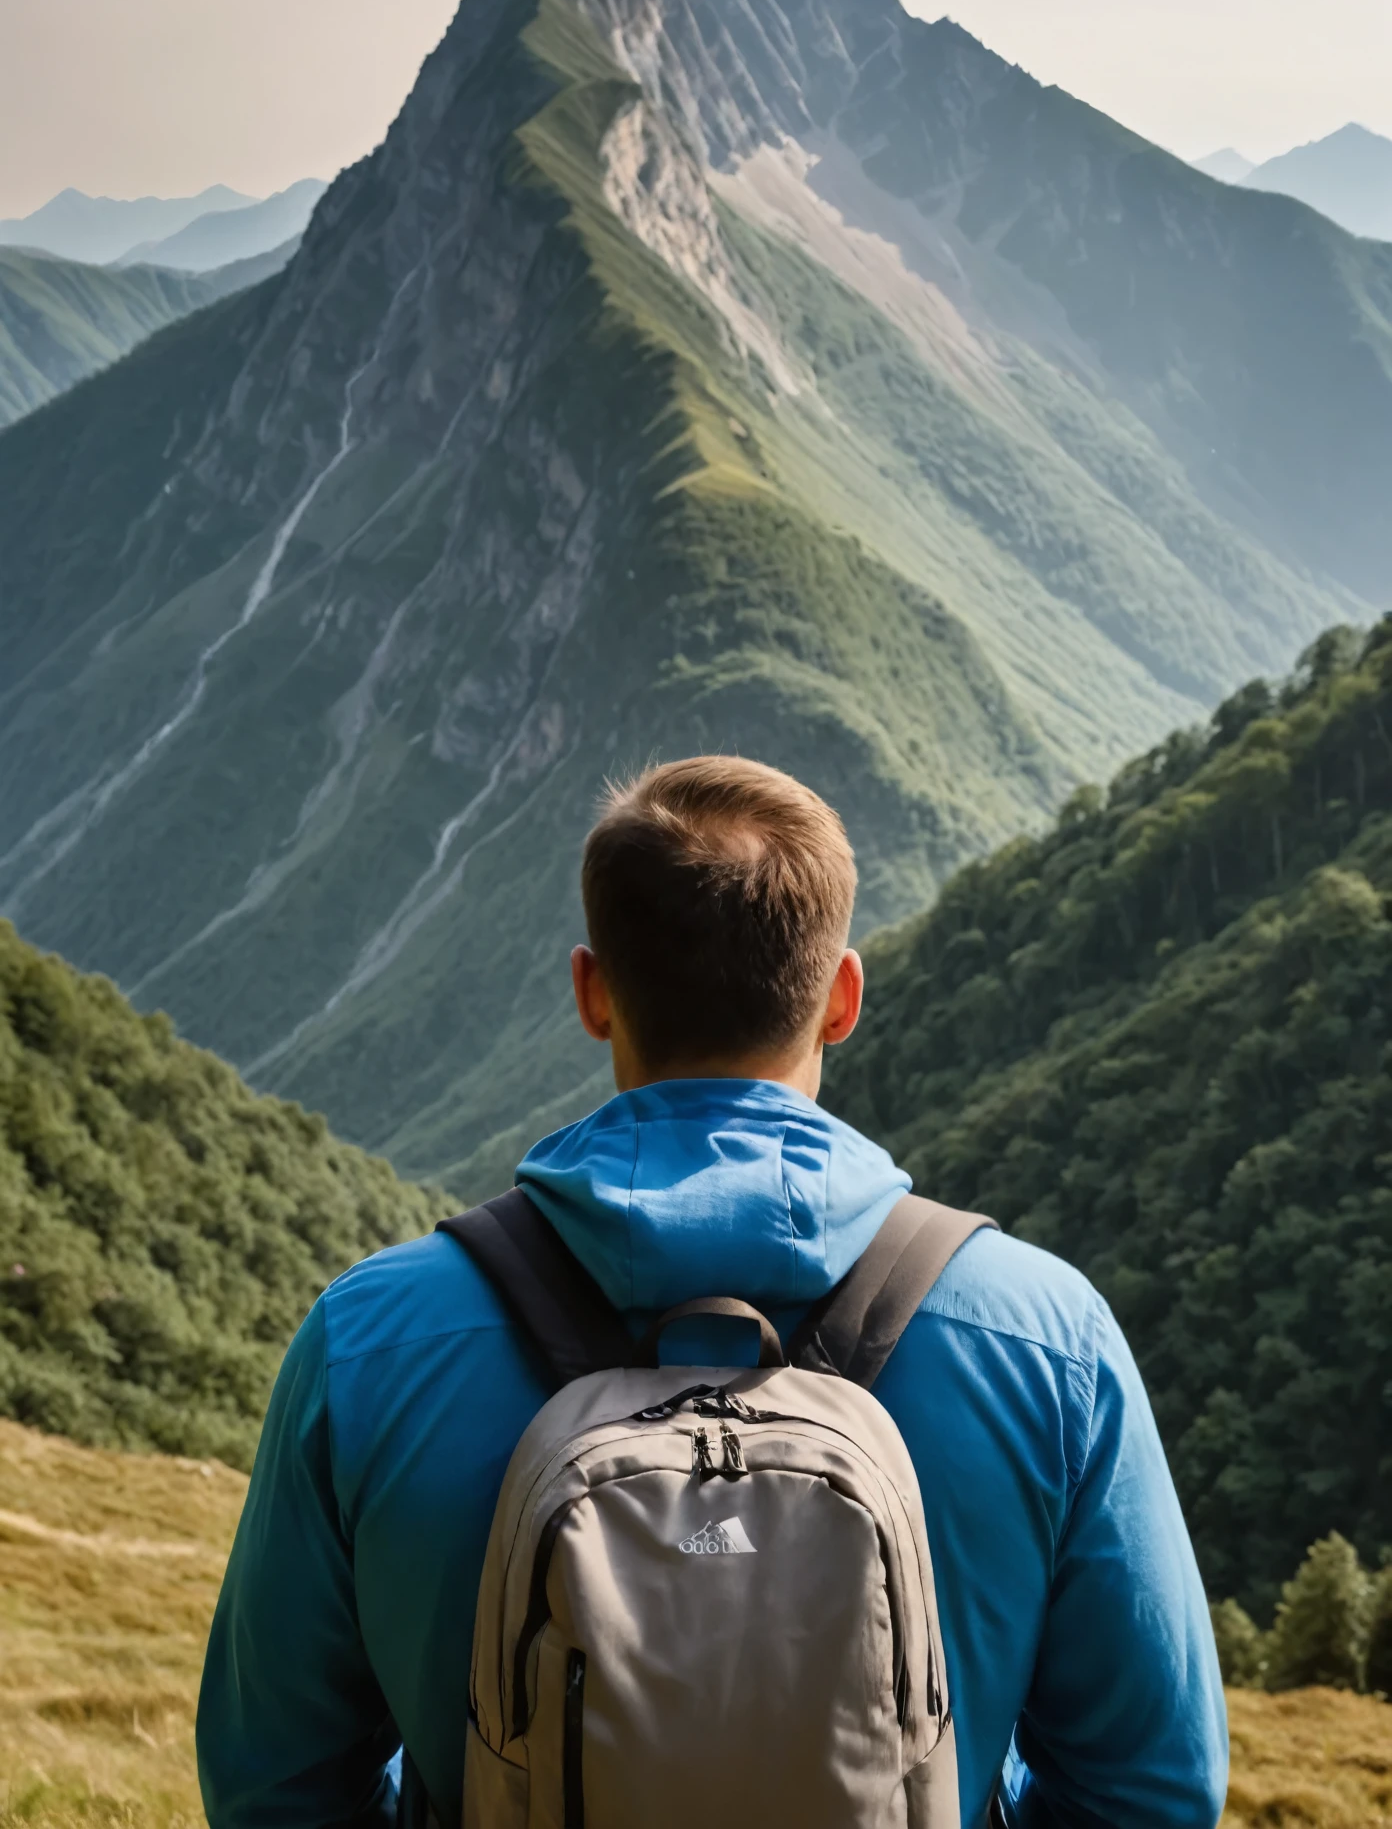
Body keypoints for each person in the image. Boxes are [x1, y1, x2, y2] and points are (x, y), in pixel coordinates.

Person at [197, 755, 1228, 1829]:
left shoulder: (370, 1342)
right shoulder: (1045, 1339)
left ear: (593, 992)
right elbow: (1152, 1791)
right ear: (842, 1000)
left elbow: (272, 1784)